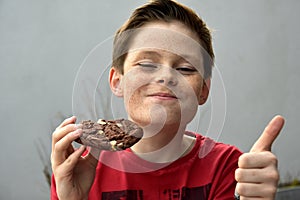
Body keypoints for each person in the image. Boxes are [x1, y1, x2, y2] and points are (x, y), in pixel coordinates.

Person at [51, 0, 285, 199]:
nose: (166, 76)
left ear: (203, 91)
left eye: (185, 68)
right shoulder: (79, 169)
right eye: (147, 64)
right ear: (117, 81)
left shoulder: (228, 168)